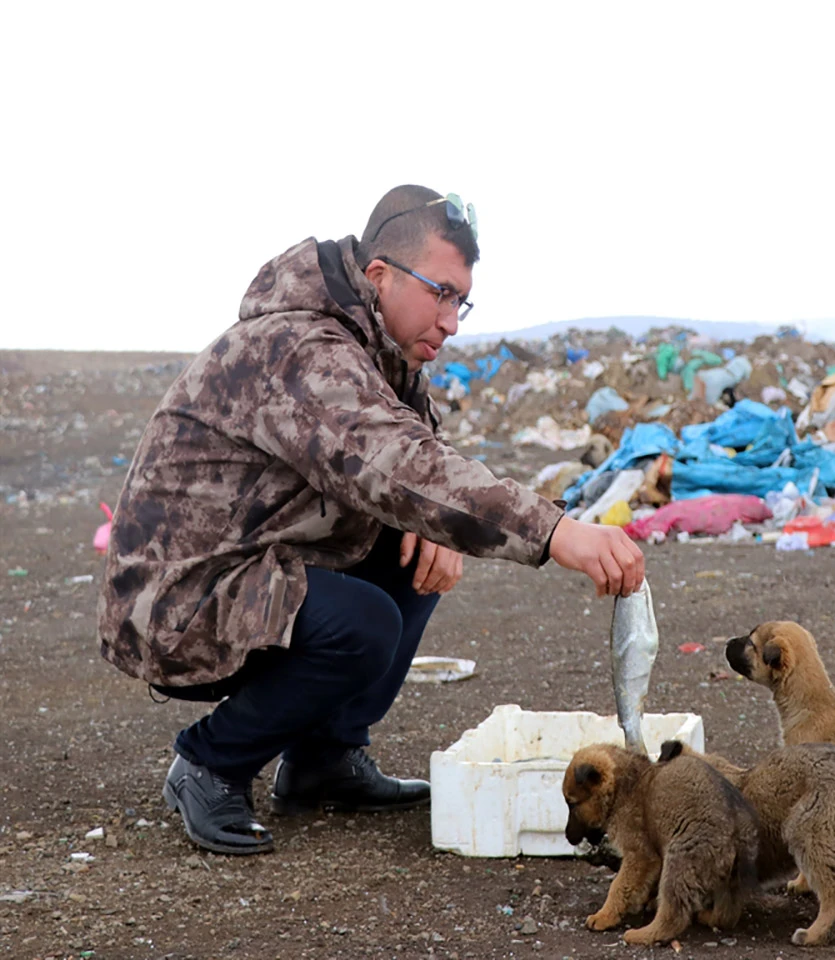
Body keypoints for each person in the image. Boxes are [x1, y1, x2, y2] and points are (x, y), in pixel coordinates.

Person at [97, 184, 644, 855]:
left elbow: (416, 464)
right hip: (178, 599)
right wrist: (556, 531)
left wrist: (423, 522)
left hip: (257, 563)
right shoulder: (299, 347)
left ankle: (324, 762)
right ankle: (210, 764)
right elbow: (393, 461)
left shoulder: (384, 355)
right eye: (440, 292)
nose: (451, 319)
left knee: (419, 553)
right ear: (379, 275)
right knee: (365, 623)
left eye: (461, 301)